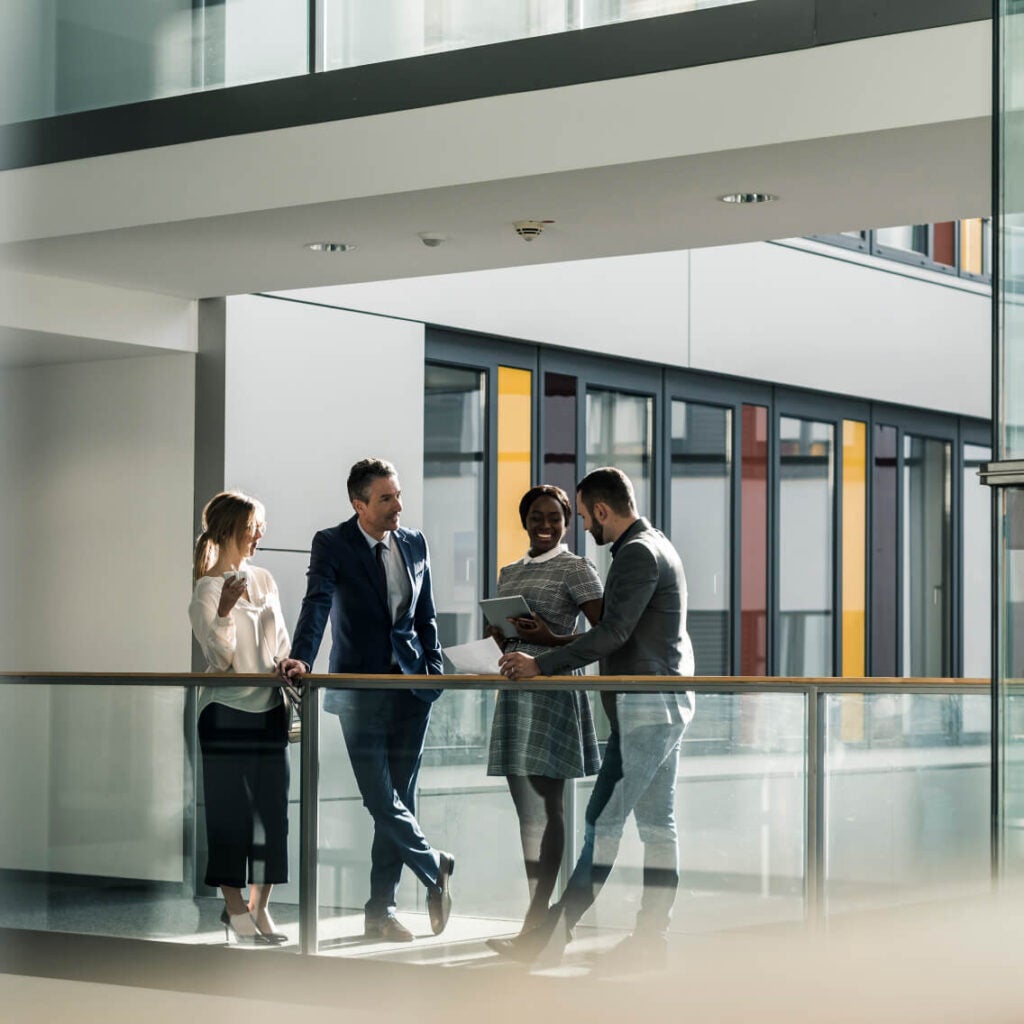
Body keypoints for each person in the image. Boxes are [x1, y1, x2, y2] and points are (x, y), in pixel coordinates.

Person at [495, 467, 695, 971]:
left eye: (583, 516)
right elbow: (628, 632)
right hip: (665, 703)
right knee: (657, 825)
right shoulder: (658, 545)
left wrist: (541, 663)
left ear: (602, 510)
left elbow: (613, 633)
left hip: (647, 708)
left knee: (601, 821)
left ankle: (554, 935)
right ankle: (652, 938)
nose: (585, 527)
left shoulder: (636, 553)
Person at [276, 458, 453, 943]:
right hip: (359, 690)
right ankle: (433, 864)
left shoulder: (415, 542)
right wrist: (302, 659)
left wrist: (433, 671)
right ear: (359, 504)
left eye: (398, 495)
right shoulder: (333, 543)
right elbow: (316, 602)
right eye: (386, 499)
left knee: (400, 798)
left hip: (412, 689)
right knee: (380, 798)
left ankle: (382, 909)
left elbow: (427, 616)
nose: (398, 505)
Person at [485, 484, 604, 943]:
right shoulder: (509, 573)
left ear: (567, 522)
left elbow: (607, 634)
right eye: (537, 517)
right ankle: (539, 920)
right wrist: (499, 637)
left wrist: (551, 639)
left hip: (552, 694)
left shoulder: (576, 569)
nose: (546, 525)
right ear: (524, 521)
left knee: (549, 809)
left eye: (555, 517)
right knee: (527, 815)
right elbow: (509, 635)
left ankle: (537, 922)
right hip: (516, 695)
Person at [189, 490, 291, 946]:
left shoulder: (266, 580)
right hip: (225, 713)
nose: (259, 535)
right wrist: (226, 610)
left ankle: (260, 907)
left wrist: (292, 665)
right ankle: (233, 909)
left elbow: (282, 643)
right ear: (232, 529)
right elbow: (219, 656)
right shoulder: (207, 588)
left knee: (274, 817)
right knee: (230, 816)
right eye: (254, 527)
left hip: (270, 711)